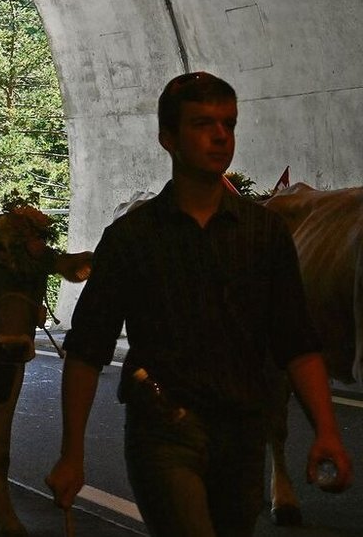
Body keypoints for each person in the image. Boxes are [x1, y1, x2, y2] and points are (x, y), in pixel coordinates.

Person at [45, 72, 352, 535]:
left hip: (242, 436)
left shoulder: (265, 233)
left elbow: (296, 341)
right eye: (203, 124)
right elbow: (87, 350)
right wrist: (72, 453)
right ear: (168, 138)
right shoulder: (131, 238)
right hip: (164, 434)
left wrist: (326, 430)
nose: (221, 136)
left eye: (229, 124)